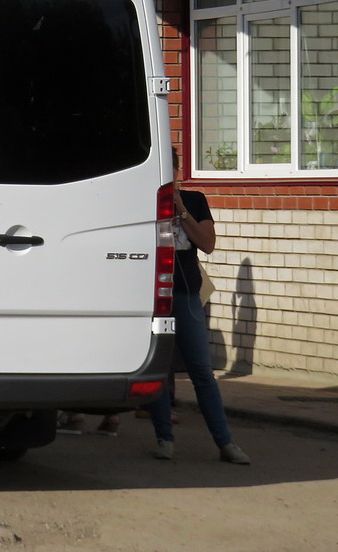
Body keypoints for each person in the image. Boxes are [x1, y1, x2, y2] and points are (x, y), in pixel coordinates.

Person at [146, 148, 250, 465]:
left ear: (177, 169)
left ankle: (226, 443)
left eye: (170, 167)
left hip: (186, 293)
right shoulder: (142, 199)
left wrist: (181, 211)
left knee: (201, 372)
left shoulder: (193, 199)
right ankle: (164, 438)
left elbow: (208, 244)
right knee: (157, 370)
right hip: (152, 296)